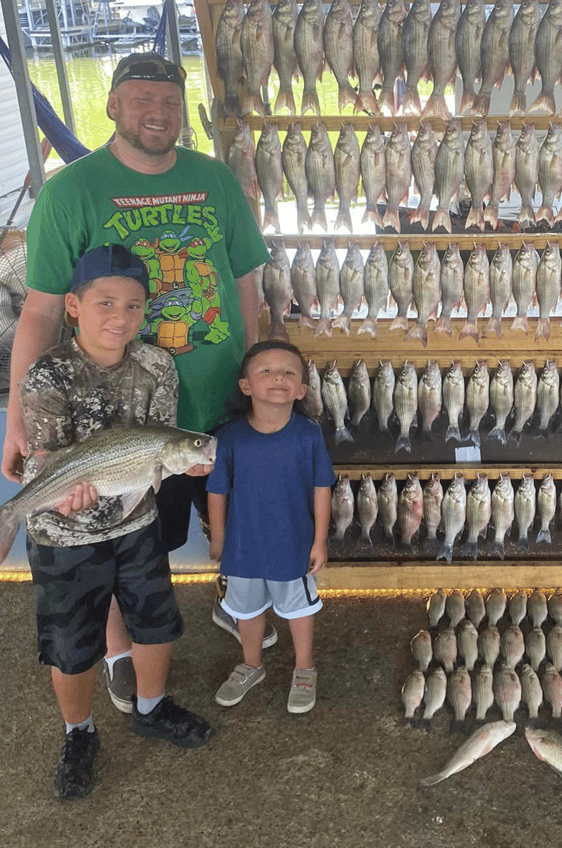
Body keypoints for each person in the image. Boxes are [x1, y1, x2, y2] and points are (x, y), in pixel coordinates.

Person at [2, 51, 272, 713]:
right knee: (128, 532)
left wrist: (255, 368)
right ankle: (121, 653)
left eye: (170, 103)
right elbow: (40, 308)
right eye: (142, 100)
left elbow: (246, 285)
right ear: (114, 106)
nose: (158, 113)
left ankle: (237, 606)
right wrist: (17, 415)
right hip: (116, 412)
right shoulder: (71, 191)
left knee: (227, 518)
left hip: (216, 397)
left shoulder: (215, 180)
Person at [16, 244, 212, 801]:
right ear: (74, 306)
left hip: (137, 524)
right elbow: (51, 461)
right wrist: (61, 498)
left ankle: (150, 706)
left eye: (132, 305)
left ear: (145, 310)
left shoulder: (157, 365)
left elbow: (160, 449)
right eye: (105, 302)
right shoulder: (48, 372)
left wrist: (181, 461)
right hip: (65, 535)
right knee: (71, 648)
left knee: (157, 623)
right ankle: (78, 734)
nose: (119, 317)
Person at [207, 341, 333, 714]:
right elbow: (216, 491)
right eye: (266, 371)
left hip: (293, 546)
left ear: (302, 390)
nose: (278, 377)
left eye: (289, 373)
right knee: (246, 613)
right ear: (246, 386)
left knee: (298, 610)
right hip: (242, 548)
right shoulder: (228, 437)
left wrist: (320, 541)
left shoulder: (309, 435)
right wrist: (218, 538)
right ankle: (251, 665)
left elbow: (322, 488)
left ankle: (305, 668)